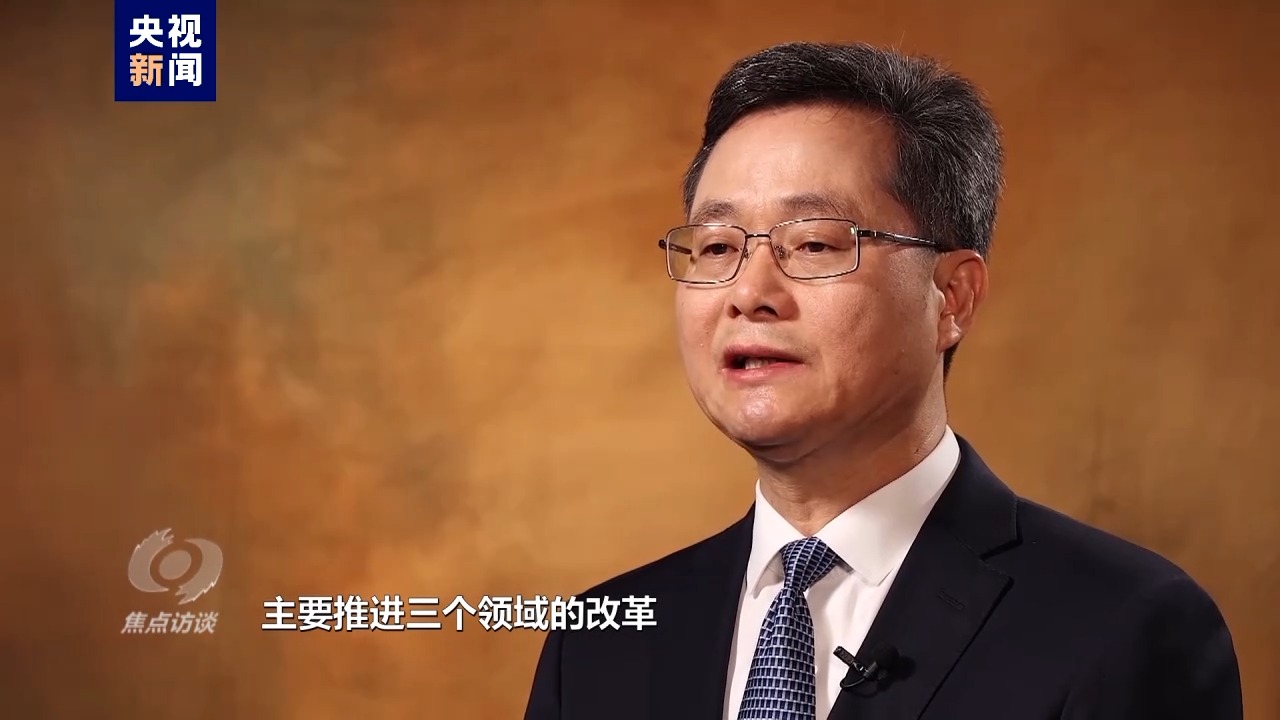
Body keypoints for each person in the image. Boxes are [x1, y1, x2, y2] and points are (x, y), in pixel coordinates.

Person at [522, 41, 1243, 720]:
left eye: (813, 243)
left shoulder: (1124, 627)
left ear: (952, 297)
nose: (749, 293)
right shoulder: (595, 646)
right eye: (716, 247)